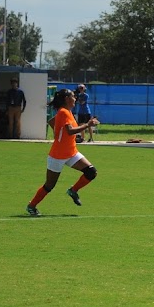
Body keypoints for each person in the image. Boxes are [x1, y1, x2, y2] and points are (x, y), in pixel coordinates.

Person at [26, 88, 100, 216]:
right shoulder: (64, 112)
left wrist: (61, 136)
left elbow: (52, 122)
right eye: (73, 97)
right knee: (49, 186)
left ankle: (73, 190)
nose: (75, 99)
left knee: (91, 172)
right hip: (58, 156)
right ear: (67, 99)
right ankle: (31, 206)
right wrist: (88, 125)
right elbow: (70, 131)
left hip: (71, 152)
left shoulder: (67, 112)